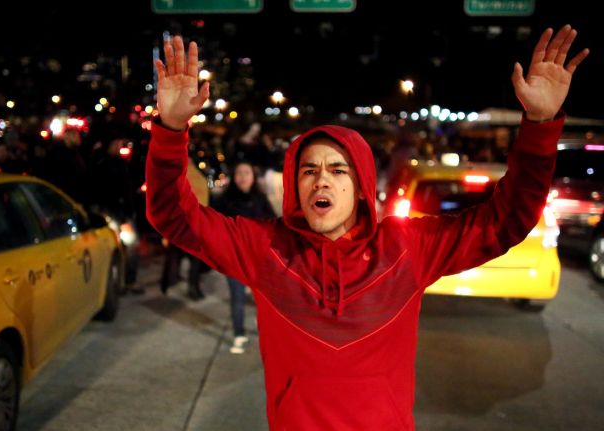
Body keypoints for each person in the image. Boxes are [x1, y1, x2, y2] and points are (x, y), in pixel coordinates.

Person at [147, 28, 588, 430]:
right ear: (294, 186)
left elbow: (504, 220)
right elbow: (173, 214)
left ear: (359, 187)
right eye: (309, 171)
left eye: (338, 170)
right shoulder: (266, 249)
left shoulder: (406, 248)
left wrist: (540, 127)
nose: (322, 179)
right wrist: (170, 129)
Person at [213, 161, 276, 353]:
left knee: (265, 298)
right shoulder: (225, 200)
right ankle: (239, 334)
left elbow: (272, 224)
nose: (243, 177)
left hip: (258, 258)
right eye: (239, 173)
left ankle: (266, 330)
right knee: (237, 297)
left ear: (253, 176)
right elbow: (216, 227)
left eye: (247, 172)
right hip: (235, 258)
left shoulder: (260, 199)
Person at [159, 160, 209, 300]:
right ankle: (193, 288)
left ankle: (167, 284)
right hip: (194, 227)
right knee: (195, 259)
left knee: (173, 256)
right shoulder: (199, 178)